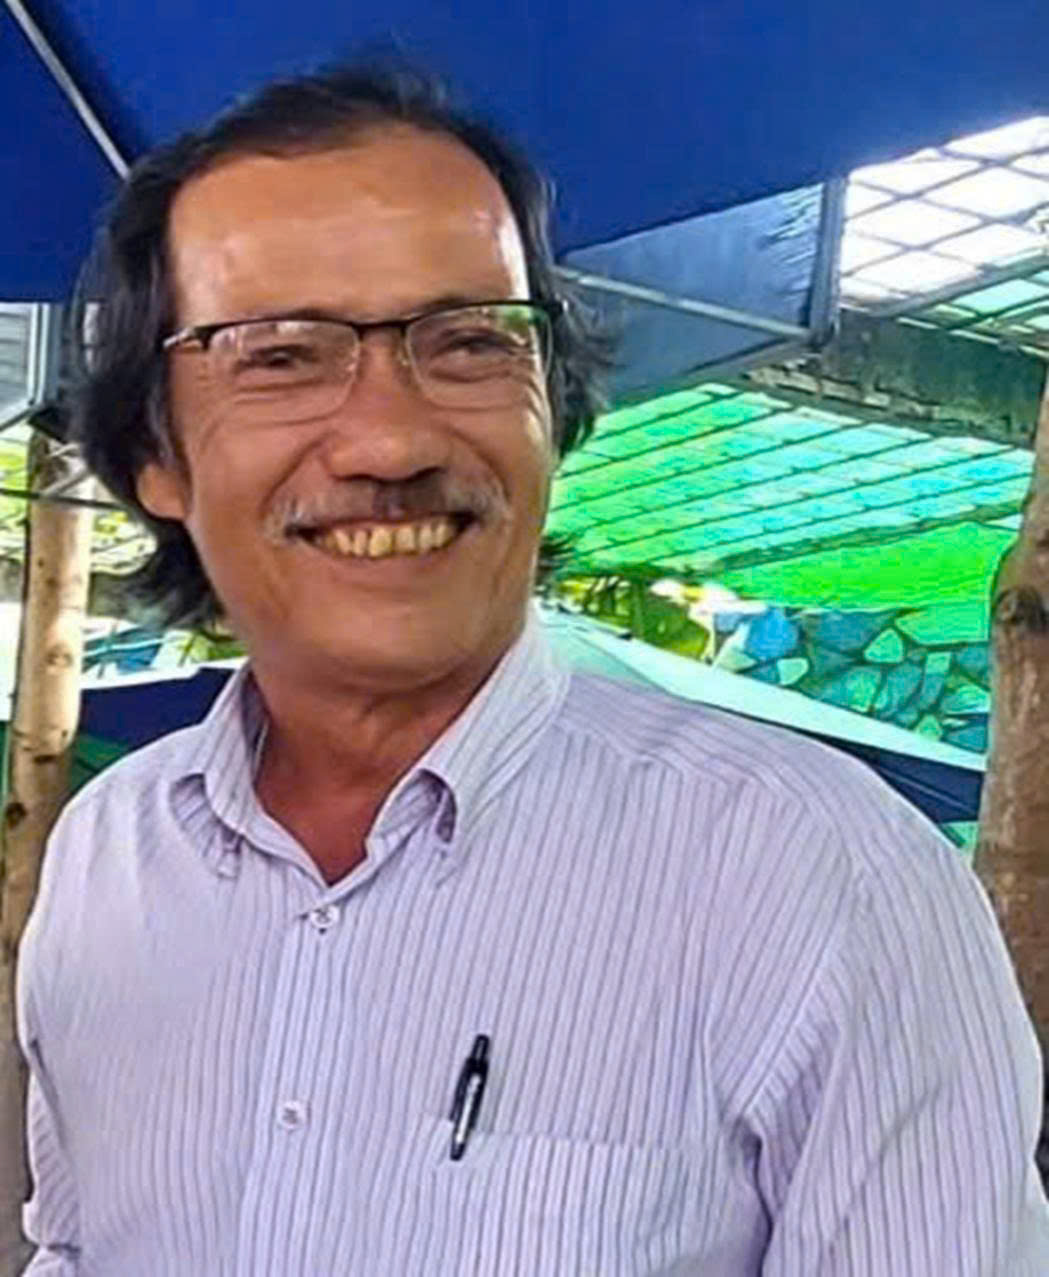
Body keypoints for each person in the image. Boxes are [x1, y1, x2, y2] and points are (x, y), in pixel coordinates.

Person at [16, 62, 1049, 1276]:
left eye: (468, 341)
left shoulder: (819, 876)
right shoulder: (109, 855)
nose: (390, 438)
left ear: (551, 408)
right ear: (155, 454)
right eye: (280, 355)